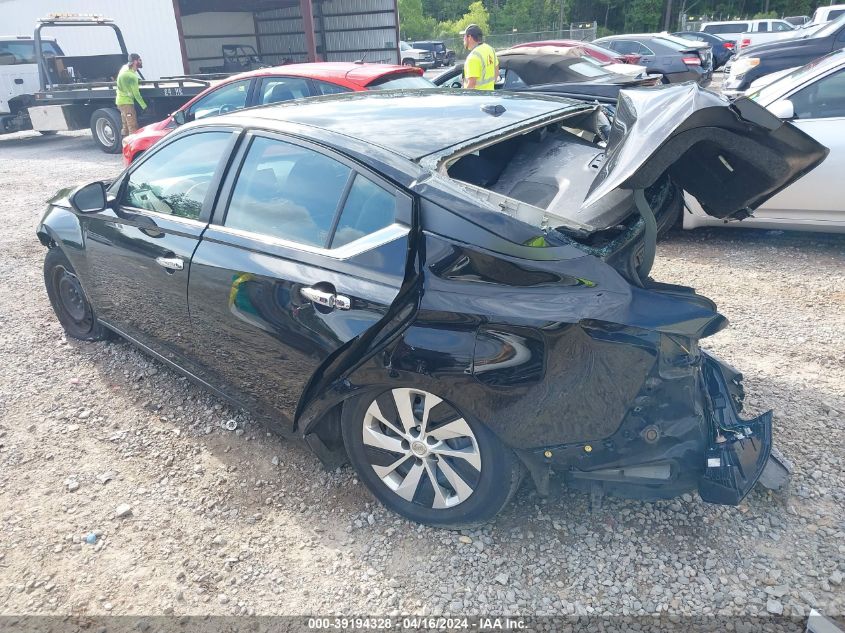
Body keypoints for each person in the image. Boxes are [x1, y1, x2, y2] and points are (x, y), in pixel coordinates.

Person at [115, 53, 146, 137]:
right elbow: (136, 94)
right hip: (127, 103)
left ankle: (124, 141)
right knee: (132, 126)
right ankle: (132, 143)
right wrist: (144, 106)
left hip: (120, 101)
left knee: (125, 126)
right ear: (135, 62)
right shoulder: (132, 76)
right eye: (139, 60)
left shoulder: (124, 68)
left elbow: (124, 78)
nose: (141, 61)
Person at [461, 24, 498, 91]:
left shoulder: (473, 57)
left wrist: (463, 96)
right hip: (490, 95)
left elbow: (471, 85)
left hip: (477, 97)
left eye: (464, 36)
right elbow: (496, 71)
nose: (463, 39)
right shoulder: (490, 49)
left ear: (469, 37)